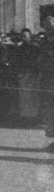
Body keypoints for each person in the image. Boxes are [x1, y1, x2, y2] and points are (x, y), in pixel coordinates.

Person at [38, 16, 54, 152]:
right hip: (48, 77)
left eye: (50, 23)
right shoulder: (44, 40)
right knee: (50, 108)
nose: (47, 25)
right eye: (45, 23)